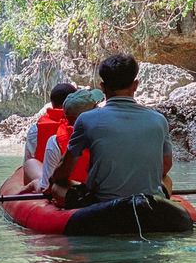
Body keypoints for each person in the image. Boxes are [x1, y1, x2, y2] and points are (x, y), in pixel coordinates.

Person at [45, 54, 172, 203]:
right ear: (135, 85)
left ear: (103, 87)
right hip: (148, 199)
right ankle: (160, 204)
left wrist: (52, 180)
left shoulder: (86, 119)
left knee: (57, 186)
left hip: (100, 202)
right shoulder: (159, 120)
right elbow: (166, 166)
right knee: (166, 179)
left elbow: (65, 170)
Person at [39, 88, 105, 193]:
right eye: (96, 106)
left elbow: (48, 187)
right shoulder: (109, 133)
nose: (98, 107)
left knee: (32, 164)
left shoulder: (55, 141)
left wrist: (51, 182)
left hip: (75, 193)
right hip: (104, 192)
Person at [23, 82, 76, 184]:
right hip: (78, 182)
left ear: (52, 103)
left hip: (47, 184)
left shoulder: (36, 129)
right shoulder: (83, 126)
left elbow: (28, 159)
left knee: (29, 164)